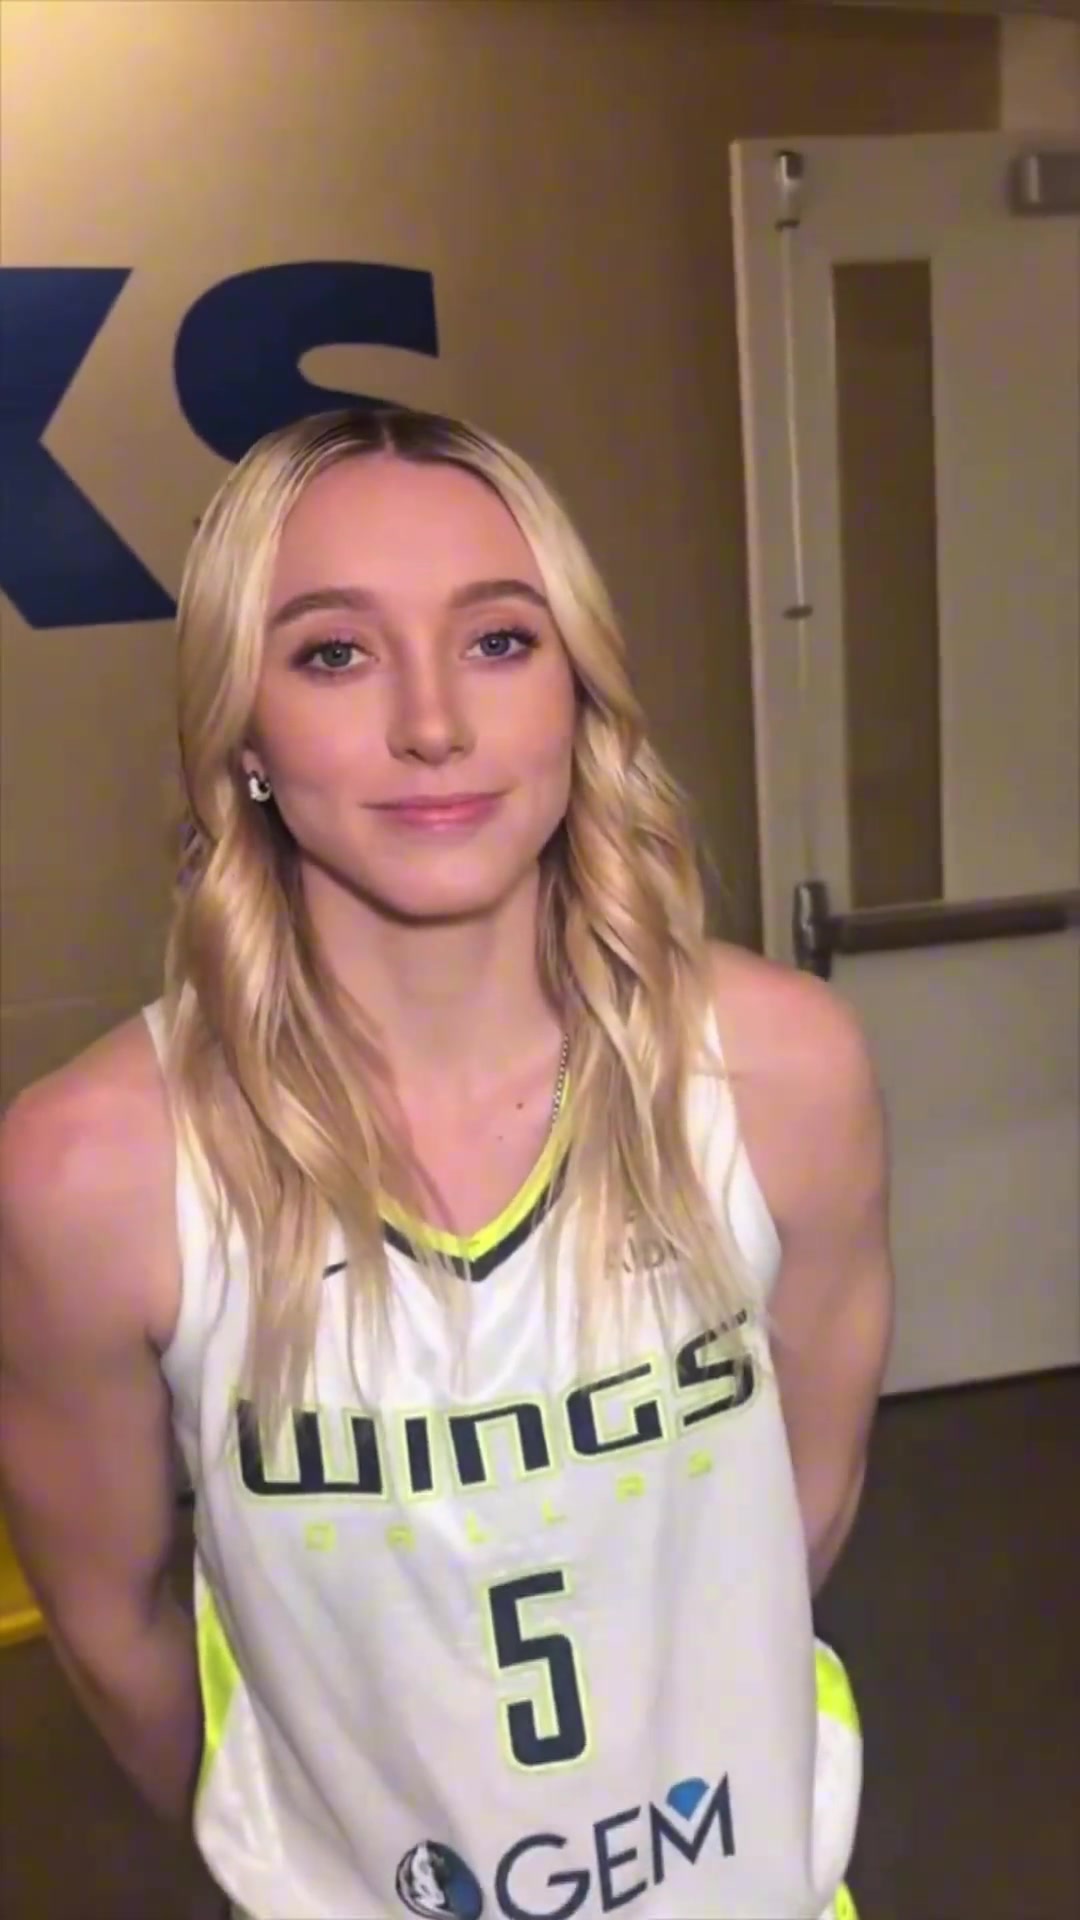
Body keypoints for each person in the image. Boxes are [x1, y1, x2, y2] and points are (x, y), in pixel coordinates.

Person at [0, 406, 892, 1920]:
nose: (434, 723)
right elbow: (113, 1628)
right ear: (244, 729)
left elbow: (801, 1510)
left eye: (498, 640)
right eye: (335, 653)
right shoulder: (91, 1172)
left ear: (577, 690)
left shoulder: (782, 1071)